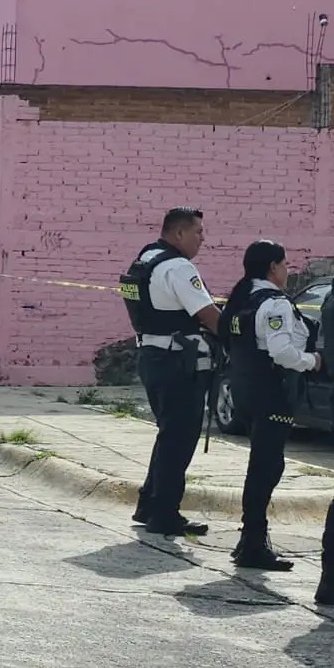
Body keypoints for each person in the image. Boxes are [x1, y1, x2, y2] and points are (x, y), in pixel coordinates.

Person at [219, 241, 321, 571]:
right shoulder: (274, 304)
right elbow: (283, 353)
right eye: (286, 265)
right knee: (267, 468)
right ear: (273, 267)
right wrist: (313, 361)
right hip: (273, 394)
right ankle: (253, 544)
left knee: (260, 466)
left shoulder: (241, 299)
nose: (288, 272)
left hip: (247, 393)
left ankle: (249, 540)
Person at [120, 207, 221, 537]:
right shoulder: (179, 267)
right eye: (198, 232)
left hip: (152, 356)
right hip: (177, 362)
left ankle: (149, 504)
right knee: (179, 439)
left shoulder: (146, 258)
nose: (203, 239)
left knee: (169, 435)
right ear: (178, 233)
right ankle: (164, 513)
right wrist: (241, 337)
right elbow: (207, 314)